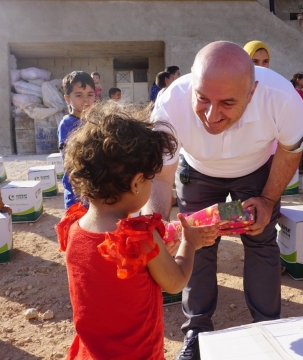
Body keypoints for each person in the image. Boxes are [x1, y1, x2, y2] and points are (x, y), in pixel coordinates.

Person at [145, 41, 303, 360]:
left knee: (261, 239)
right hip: (199, 170)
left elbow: (292, 149)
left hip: (256, 171)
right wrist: (153, 227)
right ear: (193, 82)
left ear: (252, 91)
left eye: (228, 103)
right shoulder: (170, 103)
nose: (211, 115)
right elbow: (162, 177)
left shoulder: (283, 97)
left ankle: (268, 328)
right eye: (202, 98)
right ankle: (197, 331)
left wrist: (267, 198)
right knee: (197, 244)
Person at [55, 102, 218, 360]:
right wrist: (190, 243)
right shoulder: (138, 238)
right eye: (150, 181)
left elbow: (116, 286)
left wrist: (158, 254)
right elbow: (175, 283)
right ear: (135, 183)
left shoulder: (73, 228)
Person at [58, 71, 95, 209]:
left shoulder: (93, 121)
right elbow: (71, 161)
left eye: (89, 95)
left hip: (95, 190)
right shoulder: (67, 124)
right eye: (79, 95)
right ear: (67, 99)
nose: (85, 99)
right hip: (77, 193)